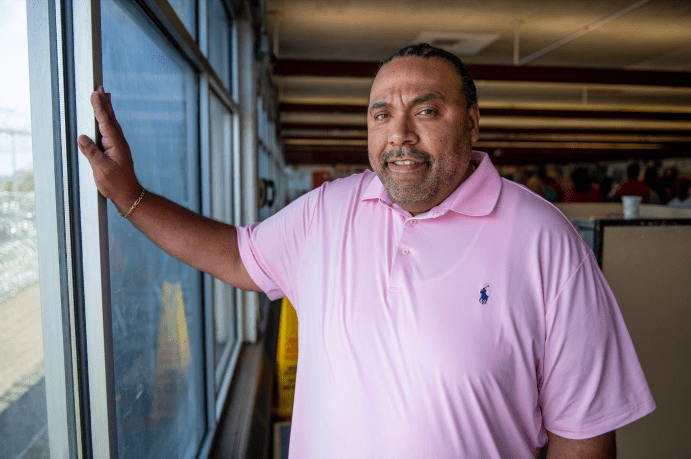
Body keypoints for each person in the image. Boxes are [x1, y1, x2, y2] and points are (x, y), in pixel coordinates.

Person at [78, 44, 655, 458]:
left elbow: (585, 430)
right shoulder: (328, 211)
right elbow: (235, 255)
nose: (399, 132)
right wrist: (132, 197)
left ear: (473, 123)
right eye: (382, 113)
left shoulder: (545, 240)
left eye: (425, 111)